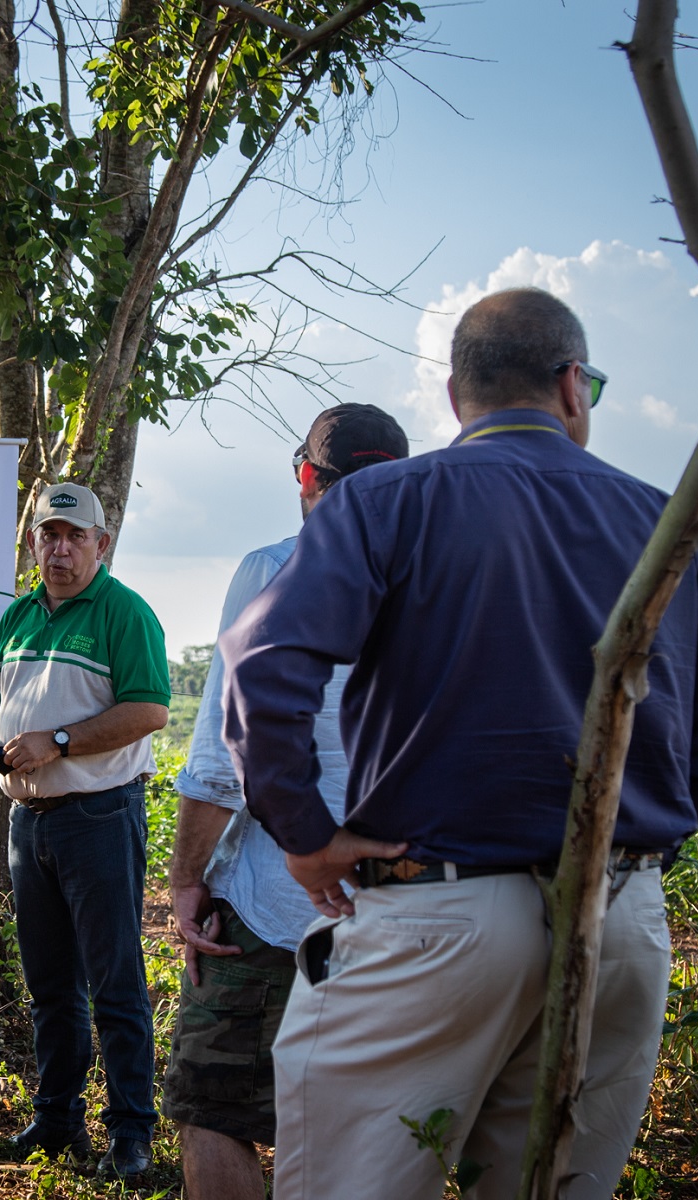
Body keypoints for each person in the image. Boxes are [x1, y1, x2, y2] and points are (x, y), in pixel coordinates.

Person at [220, 288, 698, 1200]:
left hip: (438, 916)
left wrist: (305, 835)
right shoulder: (667, 524)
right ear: (575, 386)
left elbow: (263, 662)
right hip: (619, 914)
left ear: (457, 398)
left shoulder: (385, 502)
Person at [164, 403, 408, 1200]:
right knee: (364, 1133)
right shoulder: (441, 582)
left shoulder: (274, 571)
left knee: (212, 1108)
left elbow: (222, 760)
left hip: (274, 903)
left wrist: (187, 884)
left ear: (306, 478)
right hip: (407, 911)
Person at [0, 482, 171, 1181]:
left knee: (115, 983)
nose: (60, 548)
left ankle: (131, 1134)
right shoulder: (18, 616)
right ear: (32, 544)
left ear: (101, 544)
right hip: (29, 821)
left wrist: (59, 739)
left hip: (99, 817)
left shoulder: (123, 612)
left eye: (75, 536)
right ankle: (56, 1120)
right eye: (48, 534)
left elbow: (148, 711)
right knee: (50, 985)